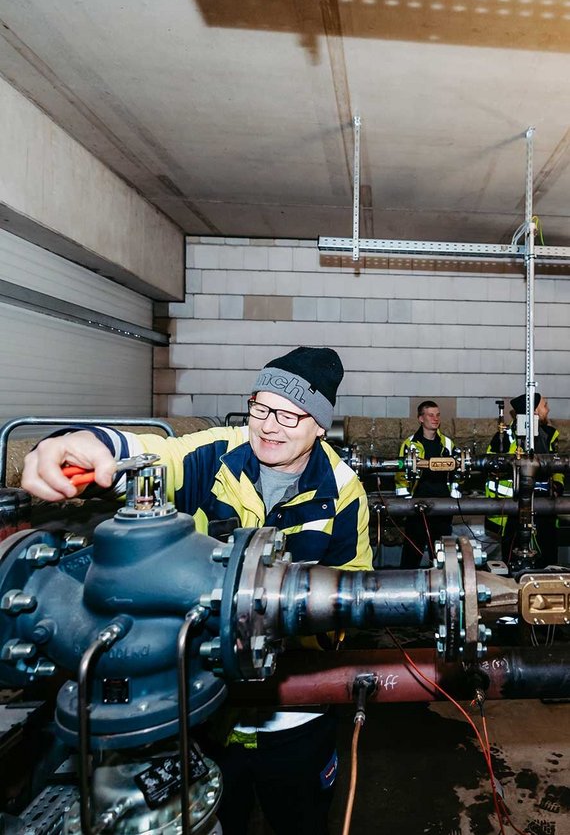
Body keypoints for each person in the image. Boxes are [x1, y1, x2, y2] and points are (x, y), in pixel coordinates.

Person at [22, 345, 372, 835]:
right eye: (261, 407)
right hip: (201, 711)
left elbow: (350, 601)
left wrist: (288, 627)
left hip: (297, 715)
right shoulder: (214, 453)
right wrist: (83, 443)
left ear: (320, 425)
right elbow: (148, 455)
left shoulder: (343, 491)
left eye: (291, 416)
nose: (269, 426)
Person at [485, 392, 563, 567]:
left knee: (548, 560)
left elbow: (559, 465)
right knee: (513, 562)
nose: (548, 409)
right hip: (514, 509)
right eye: (544, 405)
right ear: (533, 411)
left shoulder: (549, 435)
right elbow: (490, 466)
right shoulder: (503, 438)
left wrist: (558, 484)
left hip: (545, 510)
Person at [395, 400, 460, 568]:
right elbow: (401, 474)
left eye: (438, 415)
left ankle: (442, 589)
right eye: (430, 415)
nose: (435, 418)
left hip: (443, 506)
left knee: (441, 554)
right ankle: (406, 585)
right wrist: (405, 502)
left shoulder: (447, 444)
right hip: (417, 506)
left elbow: (457, 471)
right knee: (412, 552)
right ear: (420, 419)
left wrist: (454, 492)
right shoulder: (410, 444)